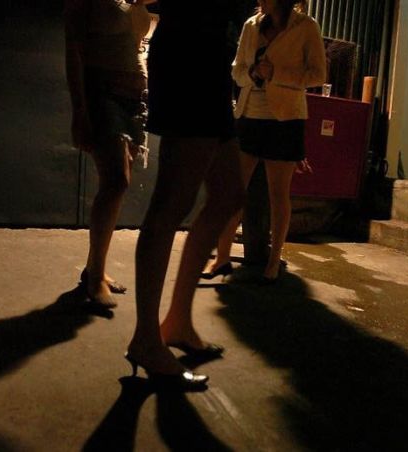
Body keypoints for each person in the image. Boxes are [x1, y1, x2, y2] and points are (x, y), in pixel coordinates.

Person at [125, 0, 246, 390]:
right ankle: (146, 338)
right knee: (171, 202)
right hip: (191, 53)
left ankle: (177, 321)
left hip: (212, 59)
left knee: (228, 193)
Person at [202, 0, 326, 284]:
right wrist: (252, 74)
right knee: (234, 191)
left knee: (278, 194)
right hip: (248, 115)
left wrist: (276, 75)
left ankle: (273, 259)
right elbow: (236, 70)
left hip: (286, 119)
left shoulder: (306, 27)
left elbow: (318, 74)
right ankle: (221, 258)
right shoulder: (251, 25)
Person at [64, 0, 151, 308]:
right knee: (116, 180)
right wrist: (79, 111)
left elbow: (137, 42)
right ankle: (95, 277)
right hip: (103, 91)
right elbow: (73, 51)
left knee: (117, 181)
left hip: (134, 97)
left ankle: (94, 269)